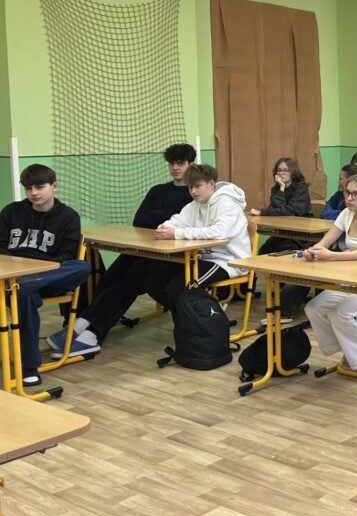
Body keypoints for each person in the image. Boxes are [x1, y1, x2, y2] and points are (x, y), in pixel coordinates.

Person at [46, 144, 195, 357]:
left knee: (131, 278)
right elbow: (139, 220)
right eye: (172, 163)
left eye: (180, 163)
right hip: (147, 247)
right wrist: (166, 218)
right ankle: (83, 323)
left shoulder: (193, 193)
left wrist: (157, 217)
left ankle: (93, 333)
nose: (175, 168)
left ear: (190, 164)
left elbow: (181, 224)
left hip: (173, 255)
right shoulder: (158, 190)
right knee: (112, 275)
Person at [0, 164, 90, 386]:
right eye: (28, 188)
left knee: (81, 267)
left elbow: (66, 256)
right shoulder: (11, 211)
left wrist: (34, 271)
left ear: (54, 186)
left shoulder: (68, 216)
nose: (34, 193)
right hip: (13, 277)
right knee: (25, 296)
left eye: (39, 187)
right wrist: (17, 269)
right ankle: (29, 367)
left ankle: (25, 282)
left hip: (47, 278)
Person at [302, 171, 357, 374]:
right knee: (314, 307)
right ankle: (353, 350)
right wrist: (312, 251)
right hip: (354, 279)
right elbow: (324, 243)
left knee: (340, 313)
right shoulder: (346, 214)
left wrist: (331, 256)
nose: (349, 198)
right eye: (347, 193)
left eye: (355, 194)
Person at [142, 164, 250, 318]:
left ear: (211, 184)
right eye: (190, 187)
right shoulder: (194, 205)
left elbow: (219, 233)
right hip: (200, 258)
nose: (193, 191)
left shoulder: (227, 203)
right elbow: (176, 221)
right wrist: (164, 228)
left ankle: (204, 319)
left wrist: (177, 233)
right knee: (153, 283)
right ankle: (200, 316)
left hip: (228, 262)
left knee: (179, 289)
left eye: (198, 186)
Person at [250, 157, 312, 254]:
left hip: (300, 234)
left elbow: (289, 212)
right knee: (263, 251)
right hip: (283, 231)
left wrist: (262, 212)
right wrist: (282, 188)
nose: (282, 173)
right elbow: (275, 208)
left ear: (293, 172)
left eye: (286, 170)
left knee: (278, 251)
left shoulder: (300, 189)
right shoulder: (277, 188)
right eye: (279, 170)